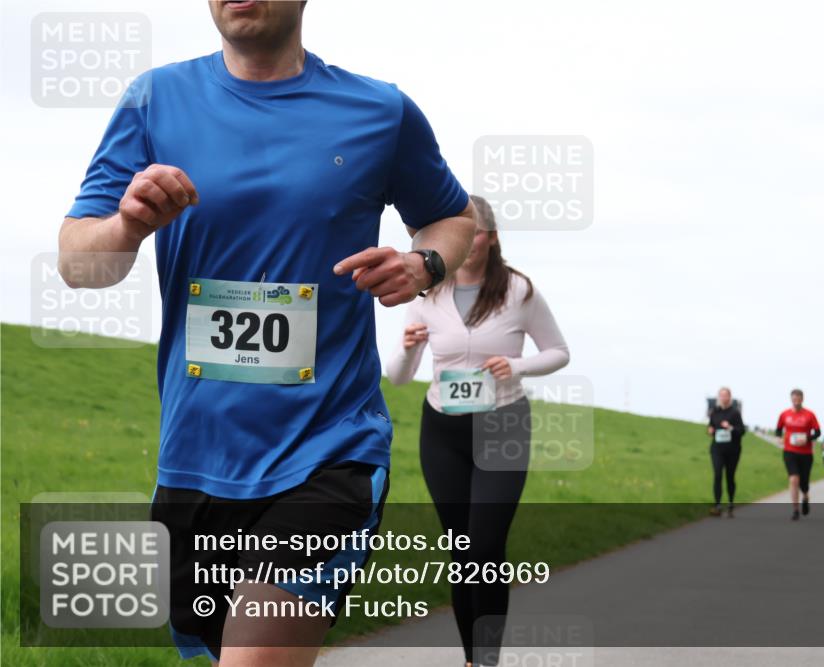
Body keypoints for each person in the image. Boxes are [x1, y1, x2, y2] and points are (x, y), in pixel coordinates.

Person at [59, 3, 478, 664]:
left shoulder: (380, 111)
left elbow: (452, 218)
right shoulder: (154, 100)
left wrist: (422, 262)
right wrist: (126, 227)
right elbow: (79, 263)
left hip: (327, 450)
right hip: (195, 459)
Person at [386, 196, 570, 667]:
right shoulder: (430, 291)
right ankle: (472, 658)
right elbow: (400, 377)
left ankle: (487, 658)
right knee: (462, 551)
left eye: (478, 233)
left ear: (490, 238)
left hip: (502, 424)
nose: (469, 243)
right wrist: (408, 349)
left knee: (486, 546)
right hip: (442, 430)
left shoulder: (519, 291)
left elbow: (558, 352)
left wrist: (517, 364)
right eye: (462, 234)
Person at [775, 389, 821, 521]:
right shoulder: (784, 414)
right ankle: (795, 509)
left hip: (806, 453)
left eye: (798, 399)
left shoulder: (809, 415)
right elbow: (778, 429)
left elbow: (818, 432)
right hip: (790, 451)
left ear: (802, 399)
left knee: (804, 482)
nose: (796, 401)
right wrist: (779, 437)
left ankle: (805, 496)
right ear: (791, 399)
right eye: (793, 399)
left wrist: (807, 438)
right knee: (793, 479)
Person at [707, 388, 746, 518]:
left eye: (726, 396)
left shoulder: (735, 413)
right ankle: (717, 505)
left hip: (732, 450)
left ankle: (730, 503)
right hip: (717, 448)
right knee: (717, 474)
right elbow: (710, 426)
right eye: (721, 396)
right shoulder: (714, 412)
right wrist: (710, 430)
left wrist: (730, 427)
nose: (723, 398)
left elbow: (742, 431)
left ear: (730, 397)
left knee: (730, 477)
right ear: (718, 397)